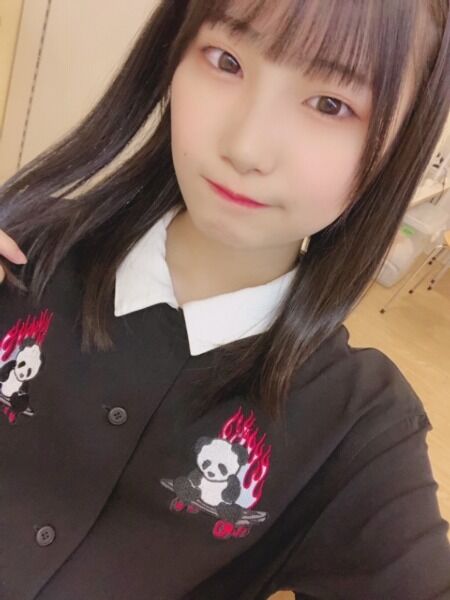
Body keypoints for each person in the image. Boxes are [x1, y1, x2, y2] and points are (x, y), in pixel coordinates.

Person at [0, 1, 449, 598]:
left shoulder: (356, 429)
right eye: (226, 61)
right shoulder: (24, 250)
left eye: (330, 104)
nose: (246, 147)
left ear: (402, 142)